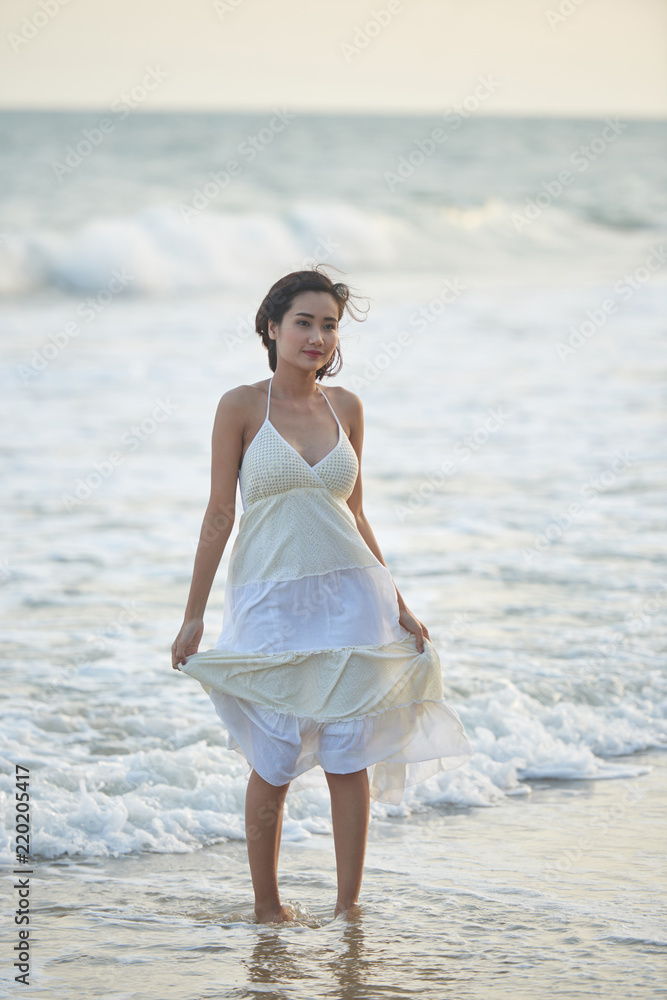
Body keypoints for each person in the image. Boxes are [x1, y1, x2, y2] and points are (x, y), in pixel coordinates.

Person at [171, 265, 474, 925]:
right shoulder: (242, 407)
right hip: (270, 602)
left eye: (328, 325)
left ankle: (346, 910)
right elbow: (220, 514)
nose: (316, 337)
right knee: (273, 760)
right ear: (271, 327)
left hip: (350, 597)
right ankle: (266, 907)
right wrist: (193, 615)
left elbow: (355, 513)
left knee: (346, 758)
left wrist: (397, 601)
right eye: (303, 323)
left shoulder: (349, 409)